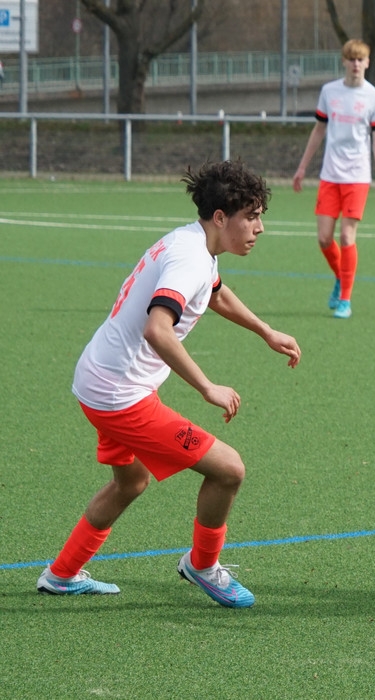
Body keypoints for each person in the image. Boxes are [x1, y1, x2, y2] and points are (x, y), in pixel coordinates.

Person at [36, 160, 301, 608]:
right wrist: (207, 387)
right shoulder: (189, 259)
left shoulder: (194, 243)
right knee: (229, 469)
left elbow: (215, 291)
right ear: (221, 217)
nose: (259, 228)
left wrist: (265, 331)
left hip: (99, 379)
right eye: (252, 217)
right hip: (120, 396)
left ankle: (61, 575)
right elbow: (157, 329)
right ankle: (203, 565)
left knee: (130, 482)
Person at [293, 38, 375, 320]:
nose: (356, 64)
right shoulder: (329, 91)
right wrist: (302, 168)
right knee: (324, 238)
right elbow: (318, 131)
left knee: (347, 235)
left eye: (360, 60)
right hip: (330, 175)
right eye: (351, 59)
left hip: (357, 177)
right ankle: (341, 276)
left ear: (367, 63)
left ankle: (345, 299)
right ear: (344, 62)